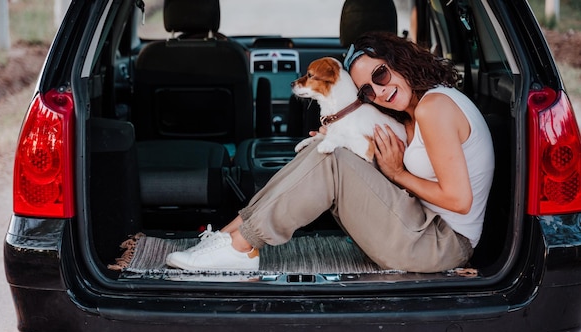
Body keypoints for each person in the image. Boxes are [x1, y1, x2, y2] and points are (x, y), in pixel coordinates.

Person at [166, 32, 495, 273]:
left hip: (441, 245)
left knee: (333, 157)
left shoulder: (435, 107)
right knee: (326, 146)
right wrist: (340, 135)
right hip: (419, 227)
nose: (379, 91)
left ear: (399, 61)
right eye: (367, 90)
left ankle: (242, 246)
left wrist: (398, 174)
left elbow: (459, 200)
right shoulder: (415, 110)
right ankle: (228, 238)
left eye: (380, 74)